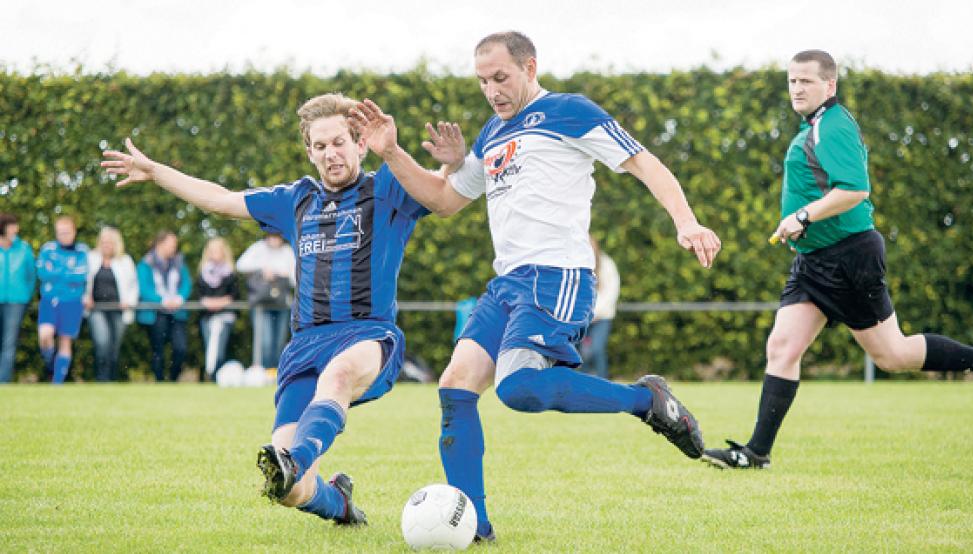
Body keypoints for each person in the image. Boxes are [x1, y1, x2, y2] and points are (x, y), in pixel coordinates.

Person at [347, 31, 722, 541]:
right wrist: (391, 151)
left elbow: (642, 161)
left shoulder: (568, 111)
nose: (491, 90)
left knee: (519, 387)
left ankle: (646, 401)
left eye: (500, 77)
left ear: (529, 67)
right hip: (507, 282)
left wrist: (686, 220)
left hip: (558, 275)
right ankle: (477, 529)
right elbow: (444, 198)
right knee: (456, 385)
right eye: (482, 81)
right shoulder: (492, 133)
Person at [102, 91, 433, 526]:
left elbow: (442, 191)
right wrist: (156, 171)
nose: (331, 153)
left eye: (339, 142)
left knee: (337, 378)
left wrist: (429, 156)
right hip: (305, 346)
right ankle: (341, 504)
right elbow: (219, 199)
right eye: (320, 146)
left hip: (367, 335)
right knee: (290, 491)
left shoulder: (387, 188)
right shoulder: (296, 199)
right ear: (309, 152)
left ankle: (296, 457)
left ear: (359, 142)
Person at [701, 50, 973, 471]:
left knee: (893, 355)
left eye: (806, 81)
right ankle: (756, 453)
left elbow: (855, 190)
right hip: (814, 261)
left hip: (849, 257)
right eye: (792, 80)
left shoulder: (833, 125)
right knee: (782, 346)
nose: (797, 88)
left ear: (829, 86)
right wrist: (798, 225)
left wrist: (801, 216)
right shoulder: (813, 126)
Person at [37, 215, 89, 384]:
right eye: (60, 232)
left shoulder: (82, 251)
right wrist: (66, 273)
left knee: (65, 341)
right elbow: (43, 273)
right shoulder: (48, 249)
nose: (63, 235)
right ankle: (50, 364)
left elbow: (81, 275)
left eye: (67, 232)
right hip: (50, 300)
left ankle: (57, 382)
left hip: (72, 301)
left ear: (74, 232)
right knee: (45, 335)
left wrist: (58, 272)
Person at [84, 226, 139, 382]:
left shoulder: (125, 261)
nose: (106, 245)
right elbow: (83, 282)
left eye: (110, 242)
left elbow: (133, 286)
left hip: (119, 310)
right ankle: (102, 379)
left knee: (114, 347)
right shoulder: (91, 258)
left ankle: (112, 379)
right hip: (97, 309)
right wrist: (86, 297)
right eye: (103, 242)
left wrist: (128, 301)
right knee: (102, 342)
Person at [136, 231, 191, 382]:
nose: (174, 248)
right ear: (160, 244)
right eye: (171, 244)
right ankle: (159, 380)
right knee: (157, 350)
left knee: (180, 348)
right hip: (155, 313)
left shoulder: (179, 263)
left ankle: (173, 379)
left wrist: (179, 298)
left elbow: (186, 284)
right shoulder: (145, 264)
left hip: (177, 312)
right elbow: (144, 288)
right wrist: (162, 300)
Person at [236, 233, 294, 369]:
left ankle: (276, 373)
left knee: (279, 342)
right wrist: (262, 269)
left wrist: (278, 273)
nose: (274, 240)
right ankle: (265, 371)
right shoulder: (258, 248)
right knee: (265, 341)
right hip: (261, 304)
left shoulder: (287, 252)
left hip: (281, 303)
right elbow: (241, 265)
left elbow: (295, 278)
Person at [196, 237, 239, 380]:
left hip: (224, 317)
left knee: (219, 350)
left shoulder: (230, 273)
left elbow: (234, 294)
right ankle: (209, 376)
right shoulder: (202, 272)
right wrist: (208, 303)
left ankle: (216, 378)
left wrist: (220, 302)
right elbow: (199, 294)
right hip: (207, 317)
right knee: (209, 348)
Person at [0, 213, 36, 383]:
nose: (16, 229)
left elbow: (31, 275)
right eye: (12, 226)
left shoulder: (23, 248)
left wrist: (25, 295)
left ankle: (3, 381)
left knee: (9, 342)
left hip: (16, 301)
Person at [579, 237, 620, 379]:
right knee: (581, 353)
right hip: (582, 319)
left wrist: (594, 313)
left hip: (602, 318)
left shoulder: (607, 264)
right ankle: (583, 383)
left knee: (597, 349)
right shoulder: (578, 264)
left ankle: (603, 380)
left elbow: (611, 293)